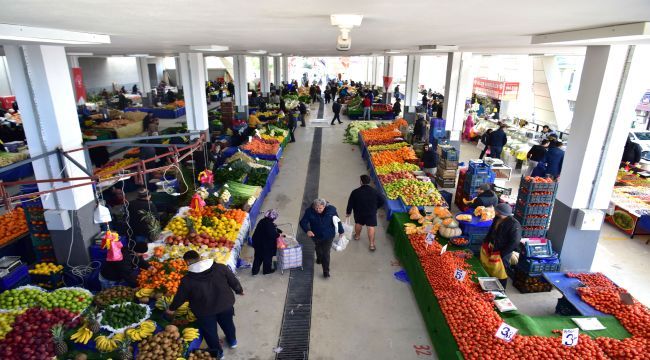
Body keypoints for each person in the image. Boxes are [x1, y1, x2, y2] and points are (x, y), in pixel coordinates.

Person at [167, 250, 243, 359]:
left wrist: (172, 308)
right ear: (199, 258)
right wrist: (239, 290)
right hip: (225, 304)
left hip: (204, 311)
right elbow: (232, 280)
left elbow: (180, 297)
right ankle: (232, 341)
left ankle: (218, 353)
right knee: (228, 324)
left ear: (187, 262)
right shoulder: (220, 268)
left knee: (210, 332)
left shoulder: (187, 280)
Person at [299, 198, 344, 278]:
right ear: (314, 206)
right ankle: (319, 258)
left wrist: (341, 230)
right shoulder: (309, 212)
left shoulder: (331, 211)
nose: (318, 210)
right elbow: (303, 222)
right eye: (316, 208)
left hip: (328, 236)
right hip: (315, 235)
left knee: (326, 253)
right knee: (318, 248)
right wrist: (307, 230)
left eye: (320, 208)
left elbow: (337, 221)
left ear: (324, 206)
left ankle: (326, 271)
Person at [482, 203, 521, 288]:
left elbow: (514, 242)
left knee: (501, 272)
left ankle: (501, 290)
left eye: (496, 210)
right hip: (494, 247)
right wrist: (486, 241)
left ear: (500, 212)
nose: (494, 211)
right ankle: (490, 286)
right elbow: (492, 230)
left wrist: (502, 253)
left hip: (503, 253)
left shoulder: (514, 225)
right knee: (493, 267)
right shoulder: (497, 218)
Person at [346, 175, 385, 251]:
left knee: (358, 223)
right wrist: (376, 207)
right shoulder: (375, 191)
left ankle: (357, 236)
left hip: (359, 212)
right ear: (369, 181)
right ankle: (371, 245)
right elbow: (382, 201)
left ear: (361, 181)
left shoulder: (355, 192)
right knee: (370, 227)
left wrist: (348, 212)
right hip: (371, 212)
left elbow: (350, 203)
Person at [251, 209, 281, 275]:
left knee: (258, 257)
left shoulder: (262, 221)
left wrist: (277, 230)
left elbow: (270, 229)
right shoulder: (269, 224)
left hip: (257, 243)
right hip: (265, 245)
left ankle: (254, 271)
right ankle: (267, 271)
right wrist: (279, 235)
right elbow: (272, 234)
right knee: (267, 258)